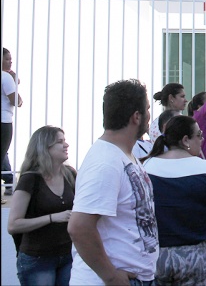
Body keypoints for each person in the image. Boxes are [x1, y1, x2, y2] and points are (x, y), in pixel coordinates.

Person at [68, 79, 158, 285]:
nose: (149, 116)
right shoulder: (105, 162)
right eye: (147, 109)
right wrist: (111, 276)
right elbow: (79, 227)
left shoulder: (122, 156)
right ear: (136, 116)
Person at [141, 116, 206, 285]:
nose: (202, 139)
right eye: (199, 135)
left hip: (155, 255)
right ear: (186, 140)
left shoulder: (146, 167)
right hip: (195, 255)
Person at [8, 126, 75, 285]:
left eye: (64, 141)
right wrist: (52, 218)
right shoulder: (30, 179)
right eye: (60, 142)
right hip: (38, 259)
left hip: (68, 256)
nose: (66, 145)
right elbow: (13, 225)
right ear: (44, 147)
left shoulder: (70, 174)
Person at [2, 48, 22, 199]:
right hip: (4, 121)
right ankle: (10, 182)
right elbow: (16, 101)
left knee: (3, 152)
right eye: (7, 59)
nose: (10, 62)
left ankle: (9, 181)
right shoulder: (5, 77)